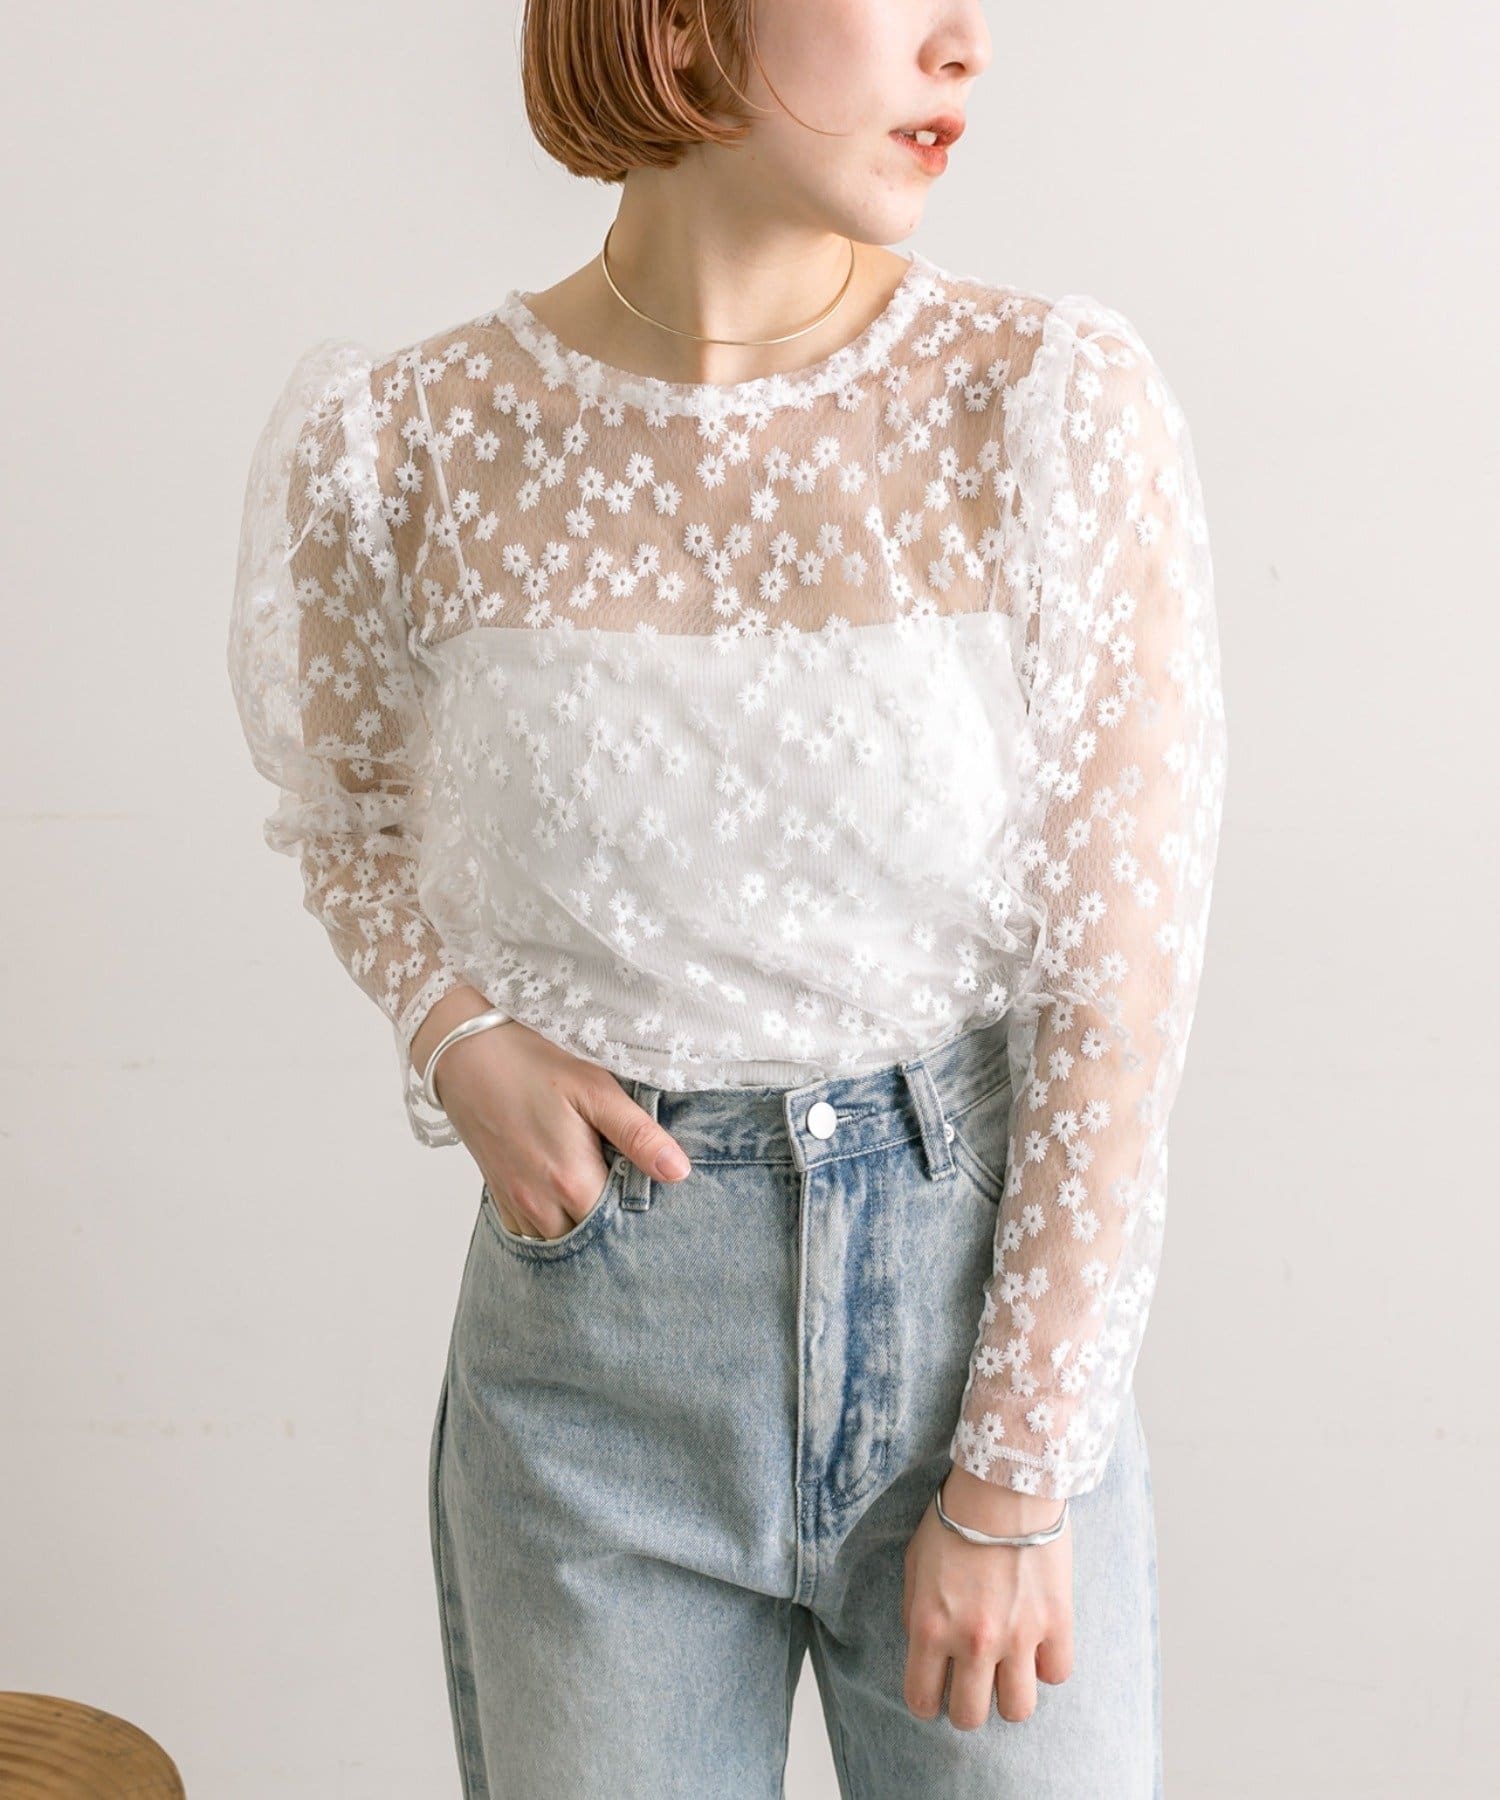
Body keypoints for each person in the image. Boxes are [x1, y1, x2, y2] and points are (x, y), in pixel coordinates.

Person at [227, 1, 1227, 1792]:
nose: (966, 43)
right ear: (681, 20)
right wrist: (454, 1031)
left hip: (976, 1329)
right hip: (591, 1376)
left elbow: (1118, 986)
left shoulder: (1045, 403)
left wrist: (1015, 1474)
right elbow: (348, 809)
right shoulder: (408, 443)